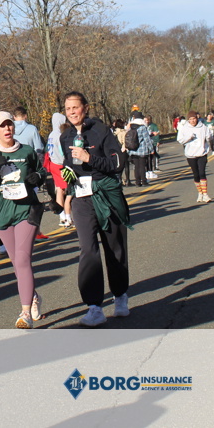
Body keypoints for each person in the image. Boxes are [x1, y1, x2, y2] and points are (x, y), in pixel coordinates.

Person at [59, 92, 131, 328]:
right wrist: (67, 174)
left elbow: (117, 164)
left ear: (86, 108)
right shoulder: (65, 136)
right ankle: (94, 307)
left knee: (114, 248)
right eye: (68, 108)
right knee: (88, 250)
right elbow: (69, 164)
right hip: (82, 199)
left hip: (106, 195)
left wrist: (89, 158)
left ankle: (120, 295)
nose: (72, 112)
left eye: (75, 107)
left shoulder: (101, 131)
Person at [0, 112, 47, 328]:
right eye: (2, 126)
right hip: (3, 215)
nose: (7, 129)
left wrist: (38, 177)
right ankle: (33, 297)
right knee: (17, 263)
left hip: (27, 211)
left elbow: (41, 170)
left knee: (22, 260)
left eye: (9, 125)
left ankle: (25, 313)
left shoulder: (26, 151)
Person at [177, 111, 214, 202]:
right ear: (188, 120)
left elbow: (210, 136)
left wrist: (209, 137)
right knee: (196, 174)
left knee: (202, 173)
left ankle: (205, 194)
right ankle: (200, 193)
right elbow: (180, 140)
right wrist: (189, 137)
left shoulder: (203, 127)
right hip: (190, 154)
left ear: (196, 118)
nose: (192, 121)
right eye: (190, 119)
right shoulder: (184, 128)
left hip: (202, 153)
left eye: (194, 119)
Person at [45, 112, 71, 227]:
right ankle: (68, 215)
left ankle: (62, 215)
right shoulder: (60, 134)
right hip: (61, 164)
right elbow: (62, 151)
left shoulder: (51, 134)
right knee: (69, 190)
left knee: (60, 189)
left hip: (53, 164)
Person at [125, 113, 154, 187]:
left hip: (133, 149)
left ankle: (137, 182)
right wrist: (151, 149)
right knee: (142, 166)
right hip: (142, 150)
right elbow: (147, 139)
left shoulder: (131, 127)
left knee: (136, 166)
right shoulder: (142, 127)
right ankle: (144, 181)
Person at [144, 115, 161, 179]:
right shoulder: (142, 127)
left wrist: (157, 141)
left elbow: (157, 133)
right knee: (146, 159)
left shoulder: (153, 125)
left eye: (147, 120)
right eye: (145, 120)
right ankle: (147, 172)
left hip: (152, 143)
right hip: (145, 145)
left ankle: (154, 168)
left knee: (152, 156)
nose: (146, 121)